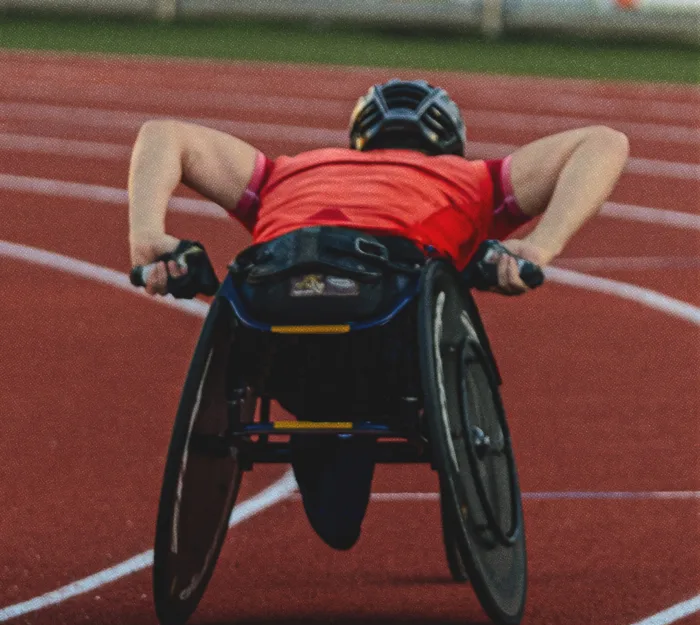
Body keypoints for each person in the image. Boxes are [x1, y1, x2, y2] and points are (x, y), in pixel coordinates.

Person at [128, 78, 629, 550]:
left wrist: (146, 235)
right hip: (389, 333)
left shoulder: (294, 170)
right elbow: (605, 142)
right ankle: (347, 425)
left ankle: (323, 425)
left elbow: (162, 133)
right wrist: (539, 247)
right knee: (396, 322)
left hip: (273, 323)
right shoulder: (473, 178)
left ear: (359, 138)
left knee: (330, 473)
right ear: (450, 141)